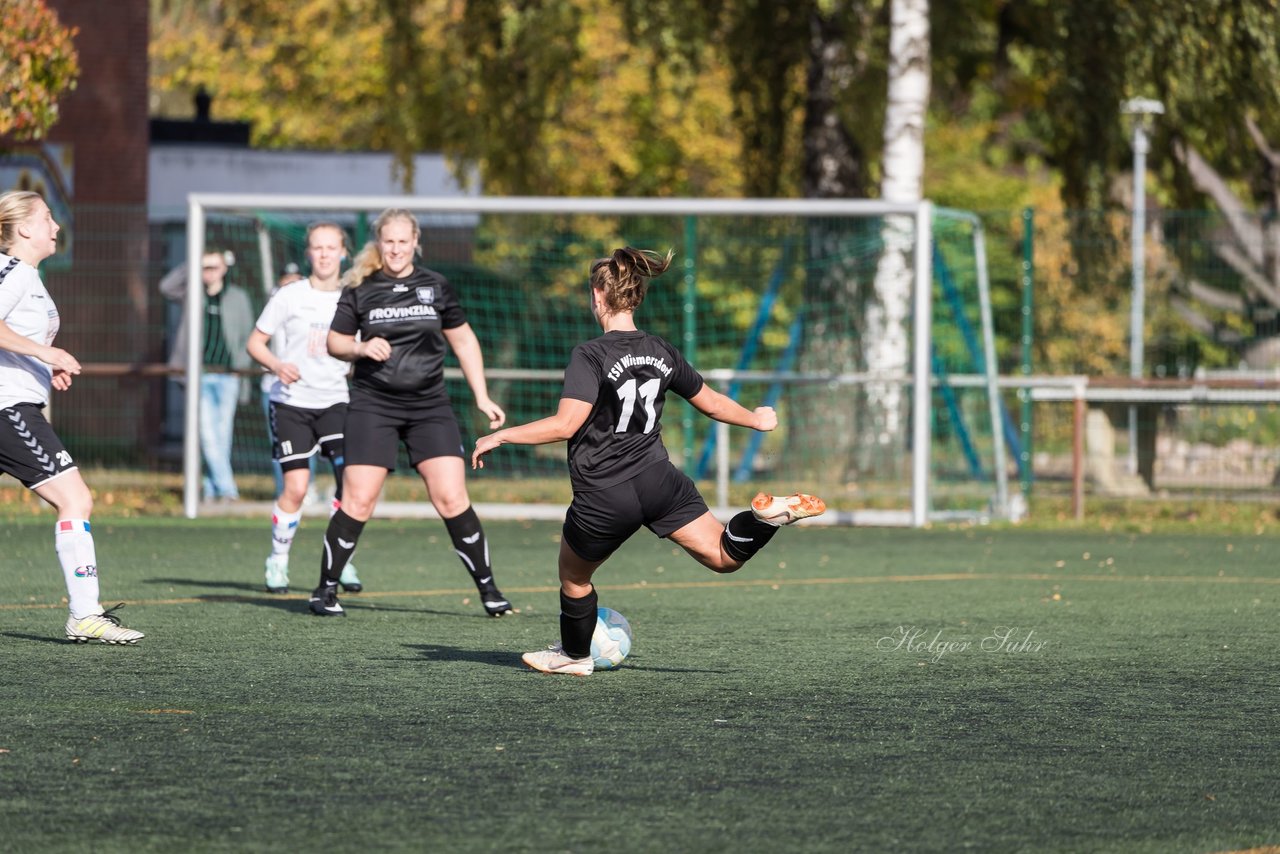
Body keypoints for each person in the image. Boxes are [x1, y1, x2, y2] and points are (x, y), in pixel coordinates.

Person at [471, 247, 825, 676]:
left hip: (605, 492)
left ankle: (574, 655)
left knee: (574, 578)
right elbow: (711, 403)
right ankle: (764, 520)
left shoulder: (590, 354)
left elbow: (566, 424)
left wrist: (503, 434)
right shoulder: (661, 350)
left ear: (599, 296)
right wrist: (755, 419)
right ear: (635, 297)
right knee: (722, 556)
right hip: (659, 479)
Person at [310, 208, 513, 618]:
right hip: (373, 405)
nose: (396, 249)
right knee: (359, 500)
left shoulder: (435, 286)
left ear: (416, 243)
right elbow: (335, 342)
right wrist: (362, 348)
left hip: (430, 406)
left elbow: (465, 341)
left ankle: (490, 590)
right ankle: (324, 591)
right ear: (378, 244)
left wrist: (481, 396)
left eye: (404, 241)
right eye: (389, 241)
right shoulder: (360, 287)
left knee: (452, 497)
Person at [0, 190, 145, 643]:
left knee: (75, 499)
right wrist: (47, 351)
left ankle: (85, 614)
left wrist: (45, 366)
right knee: (75, 499)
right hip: (6, 407)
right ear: (23, 228)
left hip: (17, 401)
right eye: (47, 218)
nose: (56, 227)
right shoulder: (15, 273)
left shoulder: (28, 276)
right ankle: (84, 614)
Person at [247, 224, 361, 595]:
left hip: (336, 403)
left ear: (344, 252)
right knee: (296, 488)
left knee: (351, 484)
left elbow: (360, 348)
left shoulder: (353, 296)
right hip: (292, 404)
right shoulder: (290, 295)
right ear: (309, 252)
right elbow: (256, 343)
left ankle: (340, 560)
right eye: (317, 247)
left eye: (332, 247)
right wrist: (278, 365)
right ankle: (278, 561)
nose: (325, 254)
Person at [159, 248, 255, 502]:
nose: (208, 273)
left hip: (227, 375)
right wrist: (191, 263)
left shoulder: (237, 297)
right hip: (199, 375)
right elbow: (166, 286)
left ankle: (212, 488)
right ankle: (228, 489)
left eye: (213, 267)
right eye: (204, 268)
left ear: (224, 269)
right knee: (206, 433)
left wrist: (239, 368)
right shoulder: (192, 293)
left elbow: (247, 335)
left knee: (221, 434)